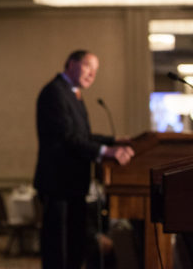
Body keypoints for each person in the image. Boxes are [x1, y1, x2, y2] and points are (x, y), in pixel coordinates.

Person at [33, 50, 134, 269]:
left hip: (73, 185)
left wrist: (114, 140)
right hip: (58, 184)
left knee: (74, 247)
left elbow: (82, 135)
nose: (92, 74)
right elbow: (67, 138)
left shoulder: (73, 93)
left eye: (96, 70)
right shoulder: (55, 93)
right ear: (71, 64)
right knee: (58, 250)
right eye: (88, 66)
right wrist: (106, 151)